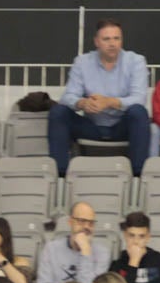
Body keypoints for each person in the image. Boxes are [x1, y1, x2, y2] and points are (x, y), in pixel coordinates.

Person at [48, 18, 150, 178]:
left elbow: (139, 98)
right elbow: (67, 97)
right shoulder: (82, 62)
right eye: (106, 39)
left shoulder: (136, 61)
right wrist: (82, 103)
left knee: (139, 112)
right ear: (96, 42)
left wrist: (109, 102)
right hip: (91, 126)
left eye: (116, 38)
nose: (112, 44)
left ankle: (138, 176)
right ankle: (59, 175)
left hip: (122, 126)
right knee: (58, 112)